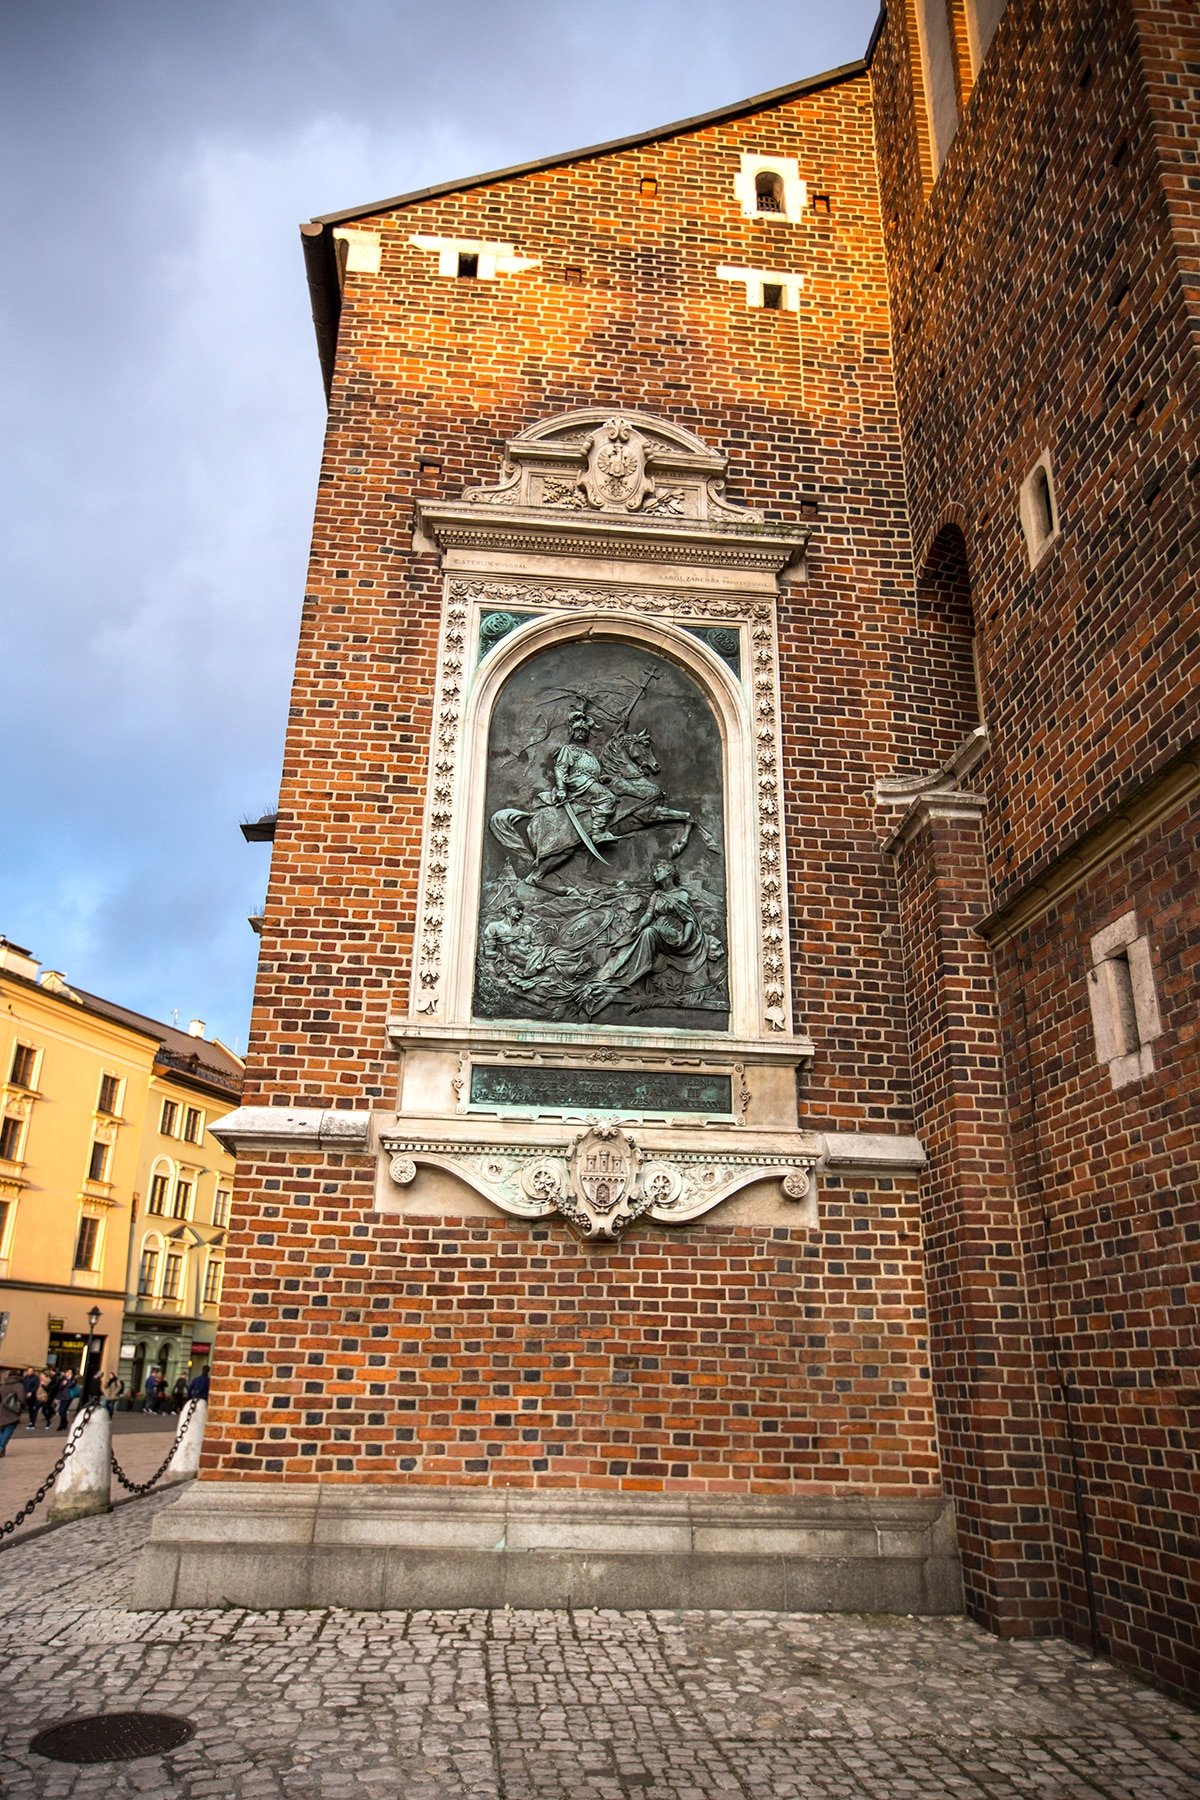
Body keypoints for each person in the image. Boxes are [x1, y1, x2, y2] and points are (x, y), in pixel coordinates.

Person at [0, 1368, 25, 1456]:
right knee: (9, 1429)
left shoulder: (3, 1385)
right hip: (13, 1409)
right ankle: (1, 1447)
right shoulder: (19, 1385)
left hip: (3, 1409)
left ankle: (1, 1448)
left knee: (2, 1429)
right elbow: (21, 1398)